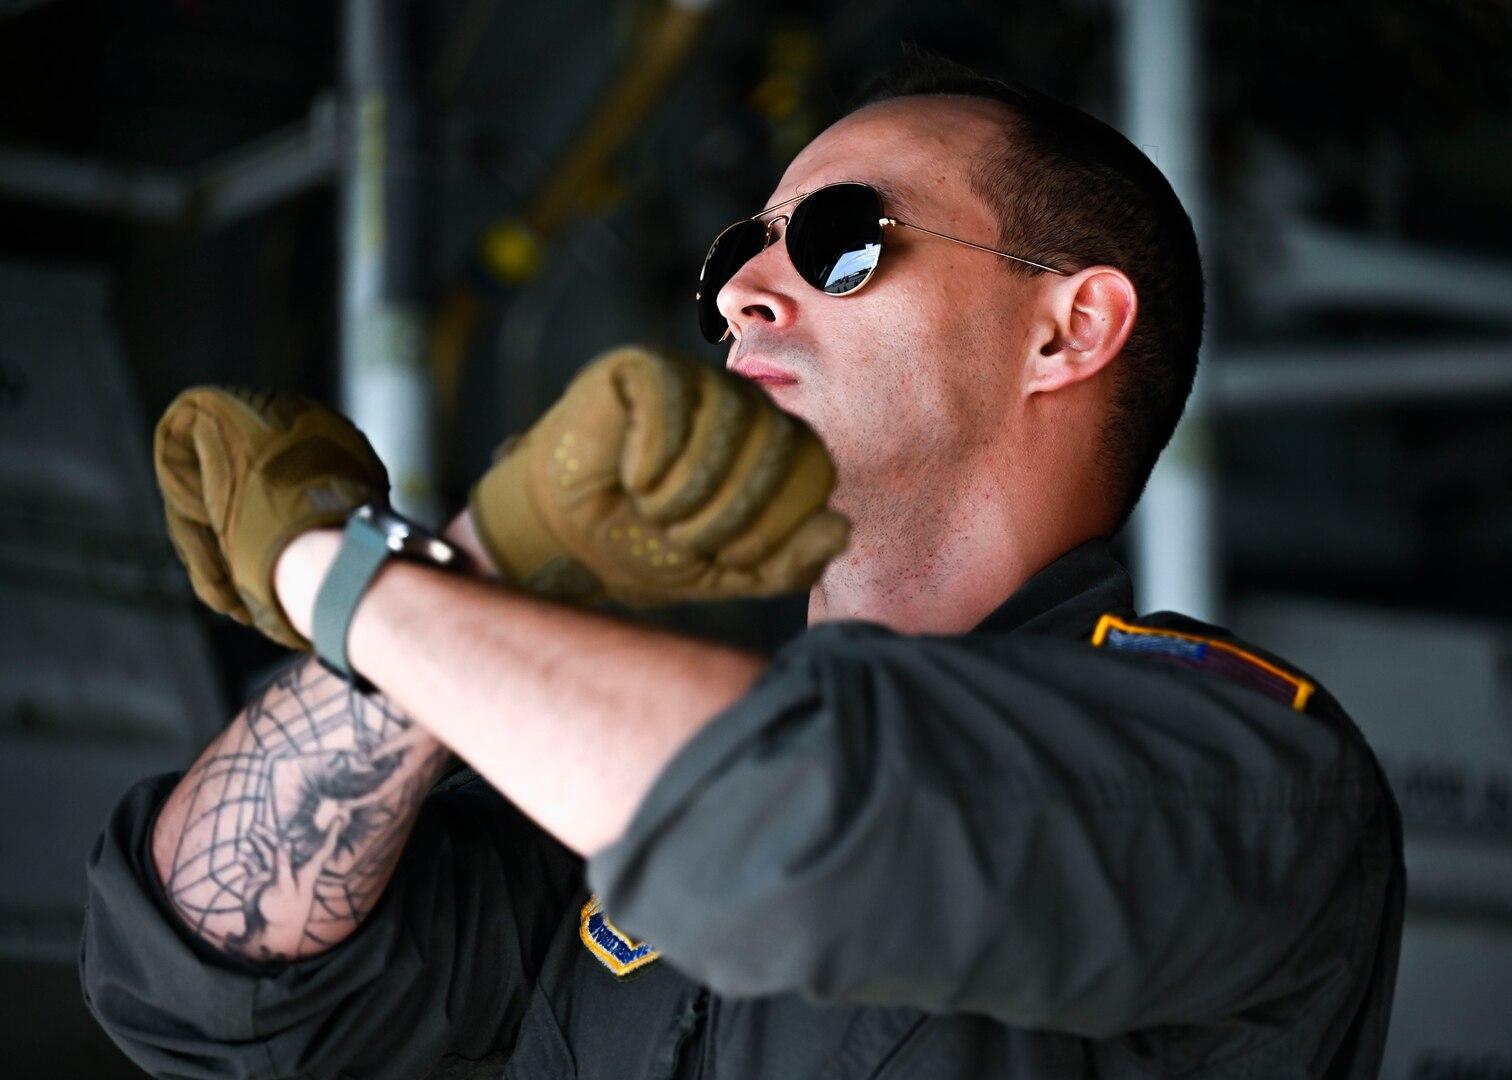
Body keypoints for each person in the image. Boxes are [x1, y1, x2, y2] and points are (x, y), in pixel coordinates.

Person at [80, 59, 1405, 1079]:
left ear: (1068, 330)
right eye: (736, 252)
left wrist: (344, 580)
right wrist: (480, 559)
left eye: (838, 237)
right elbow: (207, 988)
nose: (741, 295)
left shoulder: (1232, 765)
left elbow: (807, 814)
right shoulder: (600, 790)